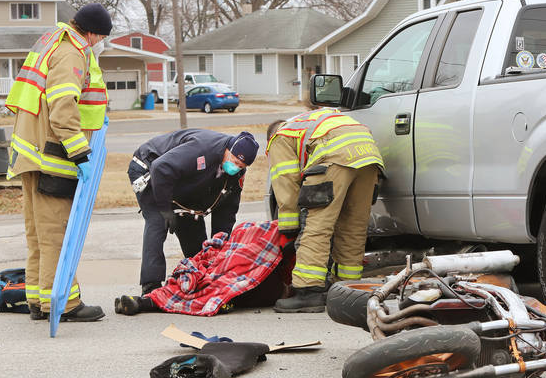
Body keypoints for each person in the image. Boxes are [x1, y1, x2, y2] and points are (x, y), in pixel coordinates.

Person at [5, 3, 112, 322]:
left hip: (32, 154)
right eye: (102, 37)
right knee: (57, 234)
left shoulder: (54, 41)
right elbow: (63, 106)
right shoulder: (71, 52)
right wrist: (80, 153)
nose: (100, 43)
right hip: (51, 157)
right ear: (92, 32)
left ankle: (38, 301)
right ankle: (62, 303)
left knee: (39, 234)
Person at [266, 107, 385, 313]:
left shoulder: (280, 136)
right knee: (353, 228)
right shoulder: (311, 122)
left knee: (317, 225)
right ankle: (348, 289)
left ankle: (308, 292)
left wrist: (289, 228)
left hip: (334, 157)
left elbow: (287, 185)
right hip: (369, 157)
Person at [128, 129, 259, 295]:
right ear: (229, 149)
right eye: (234, 161)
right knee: (158, 220)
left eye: (241, 166)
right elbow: (161, 168)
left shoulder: (236, 174)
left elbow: (227, 211)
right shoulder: (203, 149)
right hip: (149, 167)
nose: (235, 167)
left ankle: (200, 275)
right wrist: (165, 209)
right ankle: (151, 284)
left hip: (178, 178)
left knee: (191, 220)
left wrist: (218, 249)